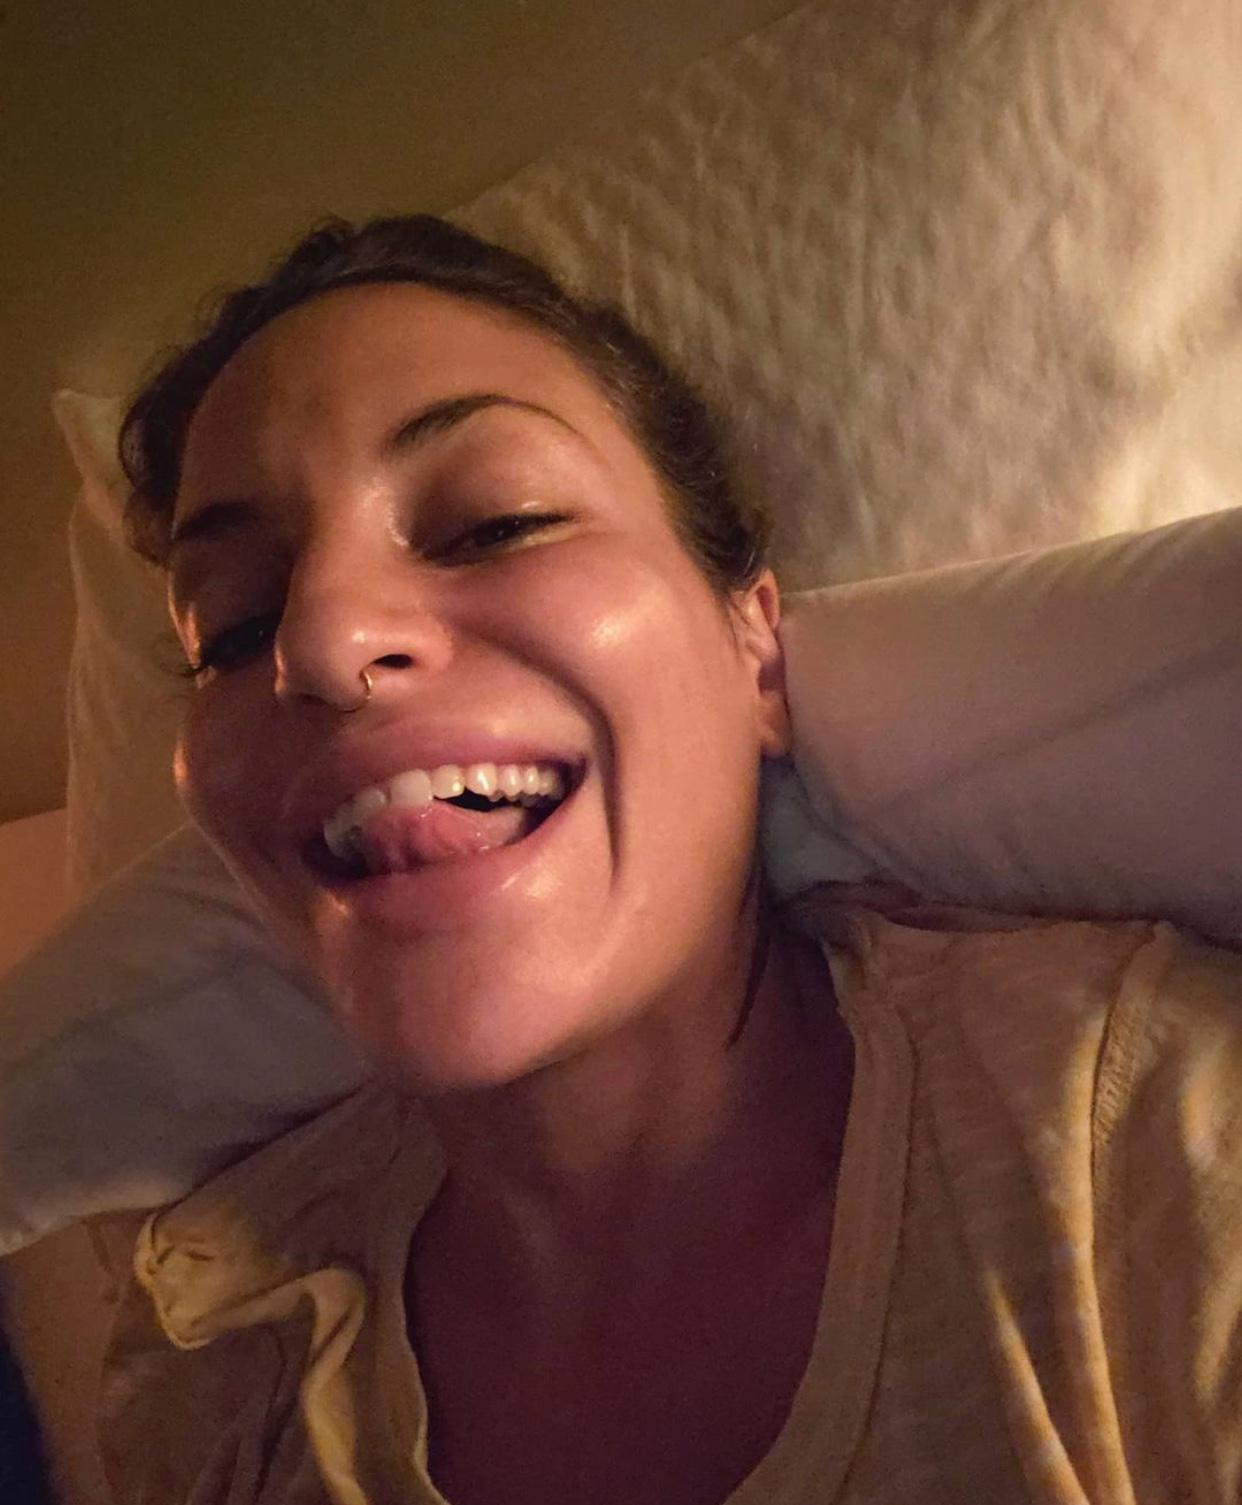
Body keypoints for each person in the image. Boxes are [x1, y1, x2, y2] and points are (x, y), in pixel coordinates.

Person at [98, 216, 1242, 1505]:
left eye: (495, 523)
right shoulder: (215, 1343)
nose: (317, 642)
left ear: (756, 653)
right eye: (231, 625)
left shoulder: (1144, 1149)